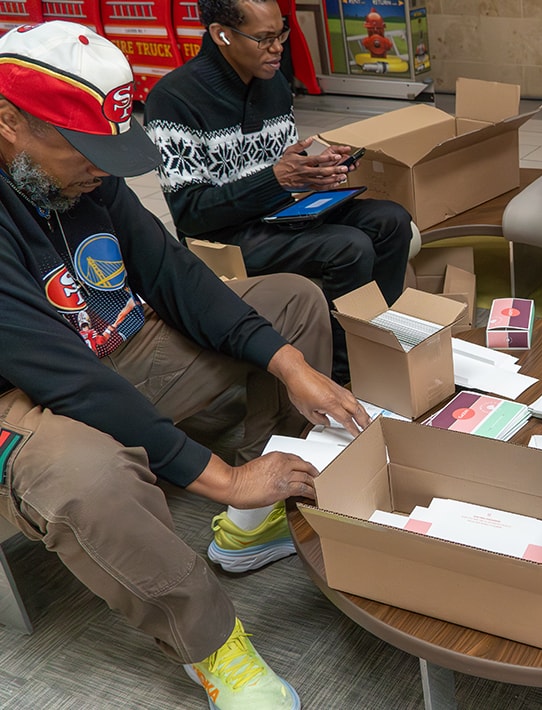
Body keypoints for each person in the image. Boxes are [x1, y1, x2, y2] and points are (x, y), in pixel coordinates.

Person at [0, 21, 372, 708]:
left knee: (290, 304)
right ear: (9, 121)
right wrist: (224, 478)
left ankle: (250, 531)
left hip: (110, 347)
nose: (100, 168)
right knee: (86, 476)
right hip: (22, 393)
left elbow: (176, 276)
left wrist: (291, 365)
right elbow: (59, 375)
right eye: (82, 148)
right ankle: (212, 646)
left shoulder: (87, 179)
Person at [143, 0, 413, 386]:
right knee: (349, 246)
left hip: (276, 213)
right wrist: (278, 179)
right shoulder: (174, 99)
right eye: (265, 39)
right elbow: (191, 214)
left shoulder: (272, 83)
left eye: (281, 33)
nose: (278, 48)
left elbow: (280, 167)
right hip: (221, 237)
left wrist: (312, 169)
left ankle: (377, 342)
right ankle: (342, 376)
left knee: (391, 220)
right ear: (221, 34)